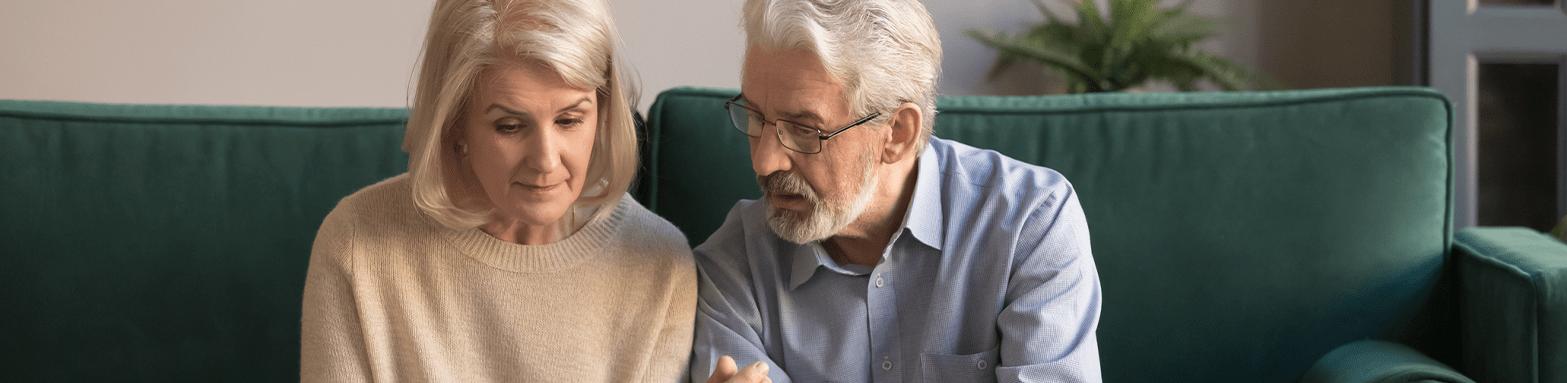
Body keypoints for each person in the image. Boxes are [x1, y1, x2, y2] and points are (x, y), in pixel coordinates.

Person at [692, 0, 1103, 382]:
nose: (764, 161)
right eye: (756, 118)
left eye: (804, 129)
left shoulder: (1029, 225)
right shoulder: (733, 265)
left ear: (897, 134)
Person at [300, 0, 694, 381]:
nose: (545, 160)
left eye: (570, 120)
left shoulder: (661, 267)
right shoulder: (356, 246)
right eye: (509, 126)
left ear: (604, 113)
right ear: (454, 126)